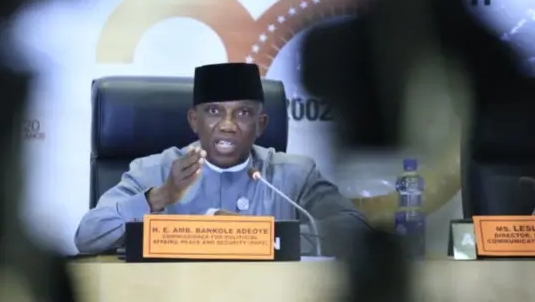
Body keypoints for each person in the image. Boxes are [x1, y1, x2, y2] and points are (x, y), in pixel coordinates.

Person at [75, 63, 369, 256]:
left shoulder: (294, 175)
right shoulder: (154, 171)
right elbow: (88, 236)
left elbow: (355, 234)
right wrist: (161, 196)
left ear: (261, 124)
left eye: (242, 113)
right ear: (194, 120)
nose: (227, 125)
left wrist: (254, 235)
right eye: (214, 111)